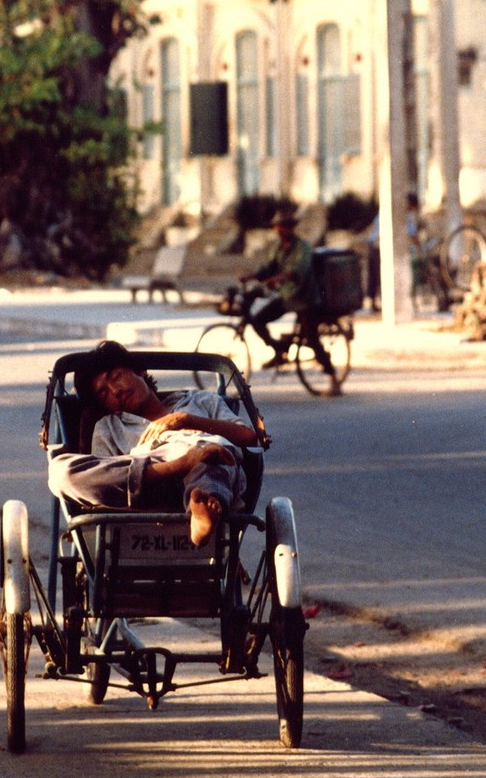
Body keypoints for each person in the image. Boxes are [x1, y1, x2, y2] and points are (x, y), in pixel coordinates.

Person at [47, 341, 258, 547]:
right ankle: (186, 466)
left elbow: (248, 436)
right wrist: (179, 463)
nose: (115, 390)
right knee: (59, 472)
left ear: (140, 371)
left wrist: (187, 420)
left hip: (206, 468)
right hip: (149, 485)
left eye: (116, 376)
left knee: (213, 452)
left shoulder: (200, 400)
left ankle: (203, 512)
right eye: (104, 392)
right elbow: (107, 480)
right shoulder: (109, 426)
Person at [239, 207, 342, 396]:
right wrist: (251, 276)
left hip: (306, 300)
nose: (279, 230)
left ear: (291, 228)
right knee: (258, 319)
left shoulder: (302, 247)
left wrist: (278, 278)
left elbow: (299, 270)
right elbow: (268, 268)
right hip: (287, 297)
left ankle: (333, 377)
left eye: (283, 226)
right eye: (277, 227)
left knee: (312, 339)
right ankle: (279, 350)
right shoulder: (278, 248)